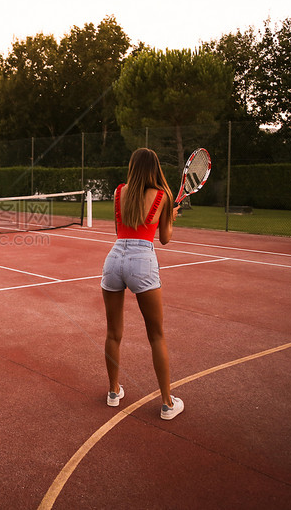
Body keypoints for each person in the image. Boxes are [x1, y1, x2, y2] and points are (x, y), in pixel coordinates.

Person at [101, 148, 184, 420]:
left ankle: (114, 392)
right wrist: (169, 217)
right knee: (156, 335)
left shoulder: (119, 192)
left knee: (113, 332)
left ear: (132, 167)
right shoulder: (163, 195)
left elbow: (120, 231)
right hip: (142, 261)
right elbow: (165, 239)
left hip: (114, 258)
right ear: (155, 168)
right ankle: (167, 403)